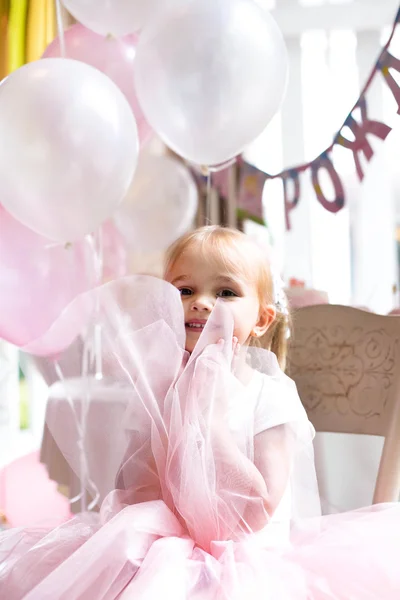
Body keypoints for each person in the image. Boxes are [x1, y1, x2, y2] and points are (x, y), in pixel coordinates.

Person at [1, 226, 400, 599]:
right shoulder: (162, 385)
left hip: (247, 559)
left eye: (225, 292)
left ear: (261, 319)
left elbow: (254, 514)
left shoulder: (269, 394)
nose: (202, 302)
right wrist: (165, 410)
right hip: (170, 545)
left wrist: (209, 420)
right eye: (185, 290)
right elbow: (137, 487)